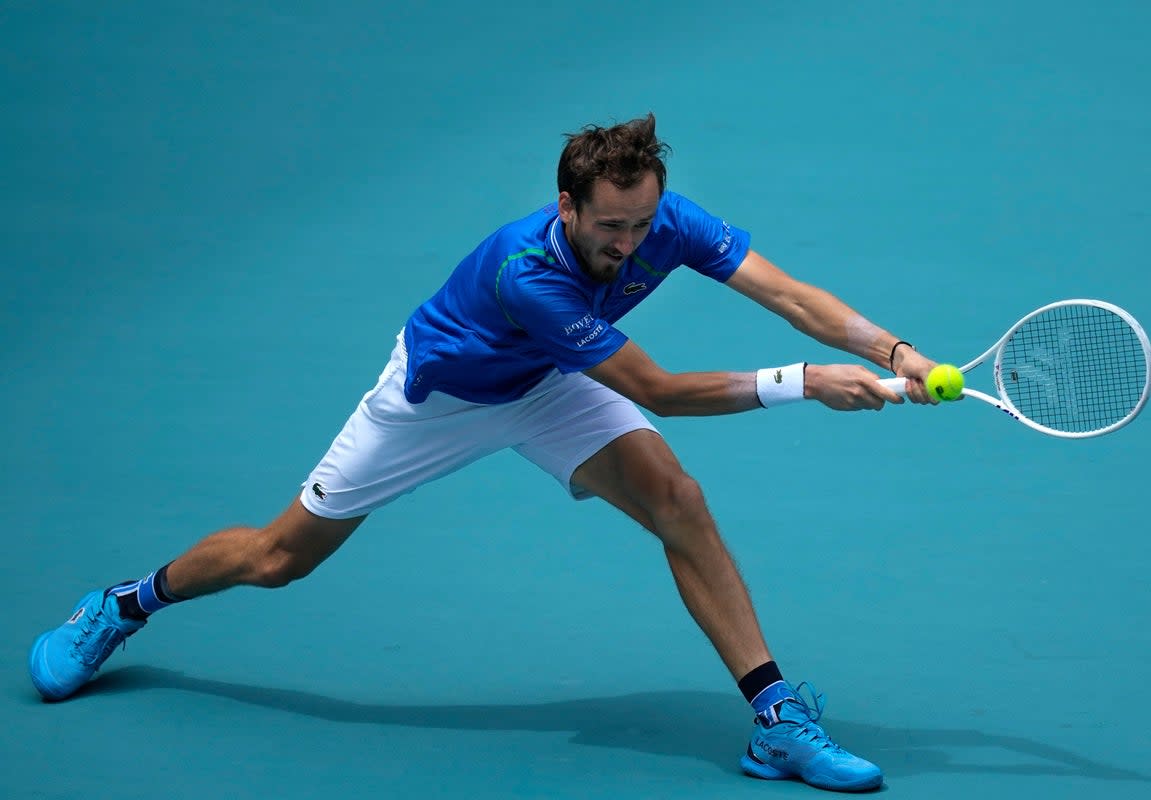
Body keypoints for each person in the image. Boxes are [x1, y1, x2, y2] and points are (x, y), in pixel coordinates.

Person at [29, 113, 939, 792]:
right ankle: (124, 603)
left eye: (642, 225)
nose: (630, 246)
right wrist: (804, 383)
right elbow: (657, 390)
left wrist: (895, 353)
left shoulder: (667, 222)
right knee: (277, 560)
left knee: (678, 501)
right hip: (437, 402)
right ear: (568, 206)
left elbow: (790, 296)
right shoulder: (527, 271)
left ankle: (774, 719)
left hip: (548, 382)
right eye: (610, 228)